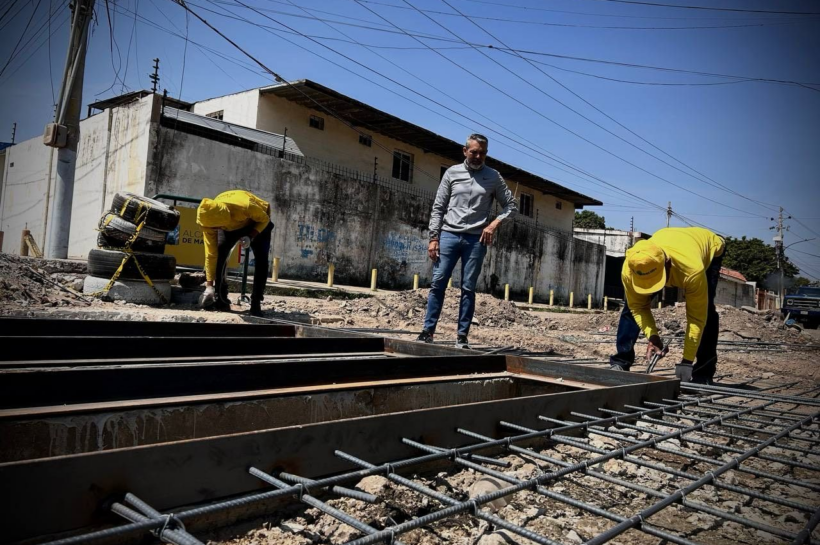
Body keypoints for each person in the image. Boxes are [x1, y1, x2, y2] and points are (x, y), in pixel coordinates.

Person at [417, 133, 517, 349]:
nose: (478, 156)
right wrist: (434, 238)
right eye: (474, 152)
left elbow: (511, 206)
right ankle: (428, 331)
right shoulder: (452, 173)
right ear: (465, 151)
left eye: (482, 153)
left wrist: (493, 224)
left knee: (468, 288)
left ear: (486, 154)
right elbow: (438, 207)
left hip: (475, 241)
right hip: (449, 236)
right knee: (438, 283)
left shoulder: (494, 177)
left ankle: (462, 336)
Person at [610, 227, 725, 384]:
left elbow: (696, 318)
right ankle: (621, 362)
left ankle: (703, 372)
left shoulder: (692, 270)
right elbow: (638, 307)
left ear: (668, 264)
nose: (653, 288)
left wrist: (686, 360)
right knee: (630, 307)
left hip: (708, 246)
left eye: (655, 281)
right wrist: (653, 335)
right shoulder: (632, 267)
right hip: (670, 241)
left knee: (706, 312)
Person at [196, 189, 273, 316]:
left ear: (223, 221)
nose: (215, 230)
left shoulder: (246, 206)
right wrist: (209, 285)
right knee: (220, 254)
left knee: (262, 260)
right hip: (228, 223)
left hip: (257, 222)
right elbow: (211, 254)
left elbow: (265, 219)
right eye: (214, 228)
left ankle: (256, 303)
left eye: (216, 228)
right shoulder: (208, 218)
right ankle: (220, 298)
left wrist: (251, 236)